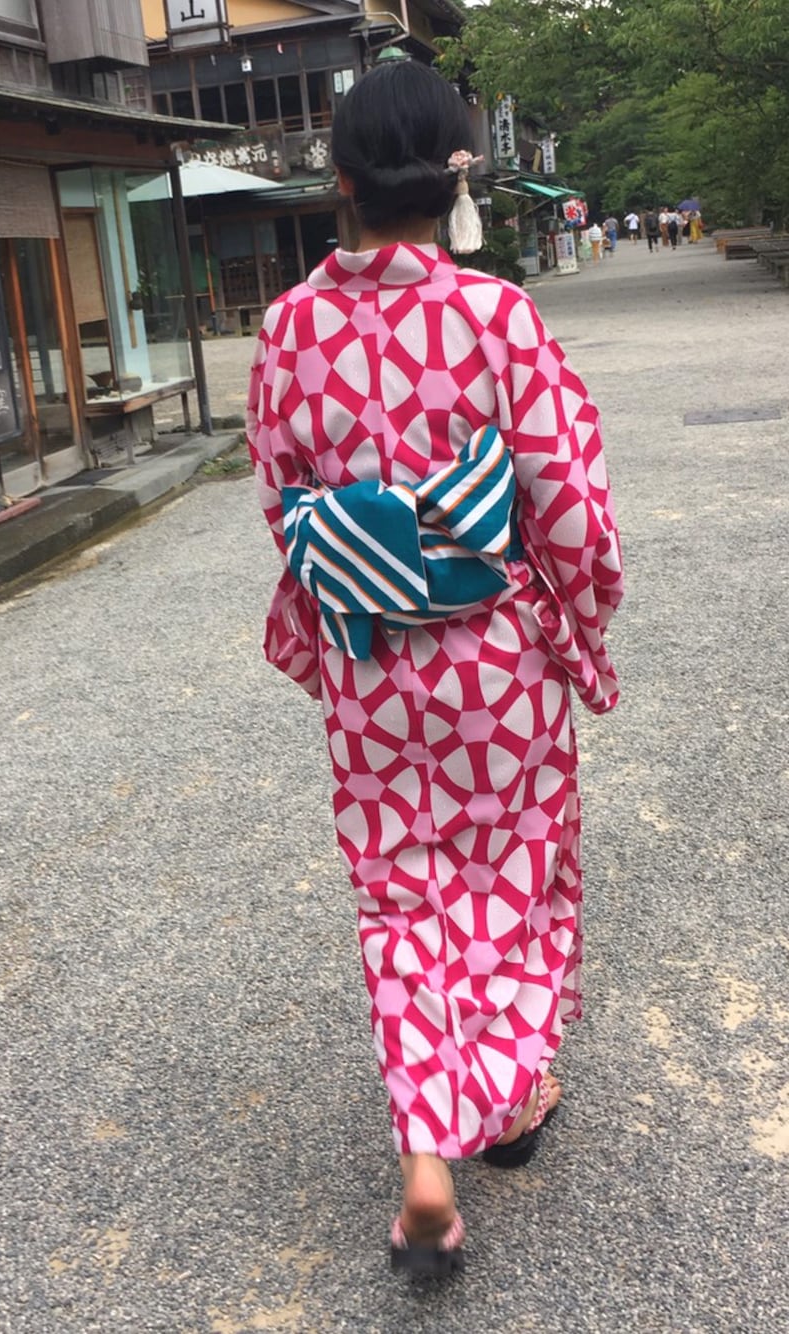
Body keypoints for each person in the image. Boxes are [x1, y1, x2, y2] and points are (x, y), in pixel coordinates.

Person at [246, 59, 624, 1278]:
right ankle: (506, 1103)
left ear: (341, 182)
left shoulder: (285, 330)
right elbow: (565, 503)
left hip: (370, 665)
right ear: (456, 177)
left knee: (401, 894)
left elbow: (285, 510)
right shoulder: (495, 317)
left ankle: (426, 1154)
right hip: (492, 665)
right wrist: (583, 613)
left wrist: (354, 585)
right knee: (507, 875)